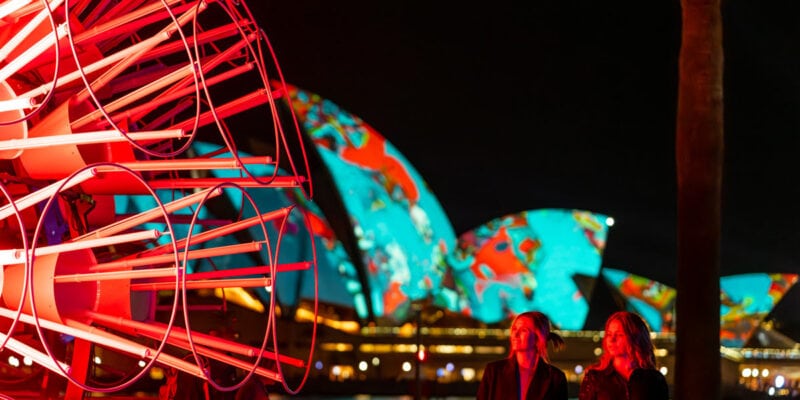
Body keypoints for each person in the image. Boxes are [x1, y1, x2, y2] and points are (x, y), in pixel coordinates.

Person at [578, 311, 669, 400]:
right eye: (609, 334)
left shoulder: (654, 379)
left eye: (619, 335)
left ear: (635, 338)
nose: (612, 340)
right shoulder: (595, 378)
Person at [477, 311, 568, 400]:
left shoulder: (556, 378)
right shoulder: (494, 371)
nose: (515, 334)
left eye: (524, 330)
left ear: (538, 337)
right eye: (514, 329)